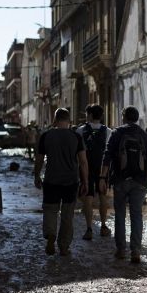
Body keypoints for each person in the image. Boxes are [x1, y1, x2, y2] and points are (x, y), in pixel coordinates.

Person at [100, 106, 147, 263]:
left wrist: (102, 177)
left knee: (120, 215)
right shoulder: (143, 134)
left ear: (123, 117)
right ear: (136, 118)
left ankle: (121, 250)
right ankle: (136, 251)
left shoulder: (117, 133)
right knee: (137, 214)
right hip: (139, 181)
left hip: (120, 179)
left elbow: (107, 155)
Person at [34, 108, 89, 256]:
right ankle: (64, 246)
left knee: (50, 210)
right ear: (69, 121)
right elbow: (83, 162)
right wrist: (85, 182)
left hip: (51, 180)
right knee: (67, 214)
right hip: (71, 181)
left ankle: (51, 235)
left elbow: (39, 159)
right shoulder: (76, 137)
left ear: (55, 120)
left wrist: (36, 175)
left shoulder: (46, 136)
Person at [76, 105, 112, 240]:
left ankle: (89, 228)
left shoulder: (80, 130)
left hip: (86, 168)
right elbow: (110, 153)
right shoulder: (108, 131)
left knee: (88, 197)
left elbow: (77, 153)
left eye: (86, 114)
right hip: (103, 169)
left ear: (90, 115)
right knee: (103, 196)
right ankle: (103, 226)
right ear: (101, 116)